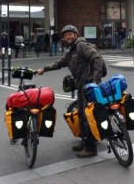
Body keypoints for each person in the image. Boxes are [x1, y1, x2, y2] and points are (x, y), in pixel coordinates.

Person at [37, 24, 105, 158]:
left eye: (70, 34)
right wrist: (44, 69)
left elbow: (96, 58)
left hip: (89, 86)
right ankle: (85, 140)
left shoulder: (81, 45)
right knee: (81, 114)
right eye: (66, 34)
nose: (68, 36)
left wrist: (95, 81)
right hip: (81, 87)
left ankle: (91, 148)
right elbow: (59, 63)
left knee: (87, 116)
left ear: (76, 34)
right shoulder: (71, 51)